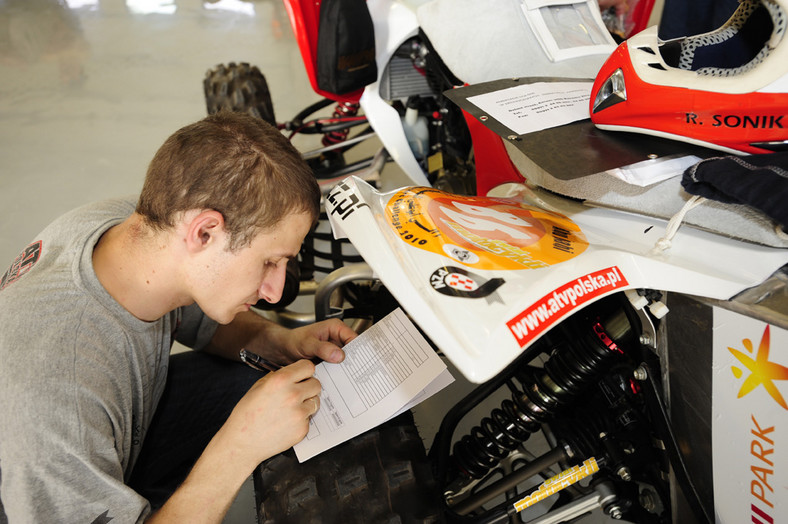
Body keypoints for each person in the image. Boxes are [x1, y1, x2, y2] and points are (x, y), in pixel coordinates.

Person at [0, 111, 357, 523]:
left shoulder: (132, 231)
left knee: (284, 382)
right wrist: (237, 448)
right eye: (269, 262)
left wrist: (279, 342)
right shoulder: (58, 398)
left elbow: (194, 315)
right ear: (204, 232)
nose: (275, 292)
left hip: (114, 431)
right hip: (41, 496)